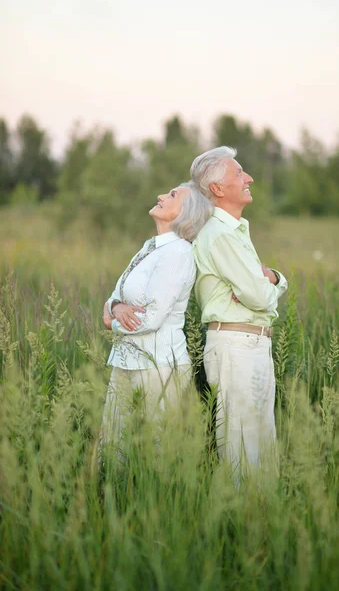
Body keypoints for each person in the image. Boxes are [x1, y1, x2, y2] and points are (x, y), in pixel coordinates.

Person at [190, 147, 288, 475]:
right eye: (238, 173)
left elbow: (263, 285)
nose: (249, 178)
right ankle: (241, 521)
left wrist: (274, 278)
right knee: (242, 448)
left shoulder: (235, 231)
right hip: (236, 347)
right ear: (217, 189)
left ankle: (262, 521)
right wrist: (269, 285)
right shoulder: (219, 235)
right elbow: (261, 297)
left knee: (262, 446)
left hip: (252, 344)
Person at [101, 181, 213, 450]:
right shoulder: (150, 247)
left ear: (186, 213)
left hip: (159, 366)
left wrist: (111, 320)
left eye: (172, 195)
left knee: (156, 453)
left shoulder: (179, 253)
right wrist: (117, 308)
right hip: (126, 359)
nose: (161, 195)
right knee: (112, 447)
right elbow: (113, 297)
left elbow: (150, 318)